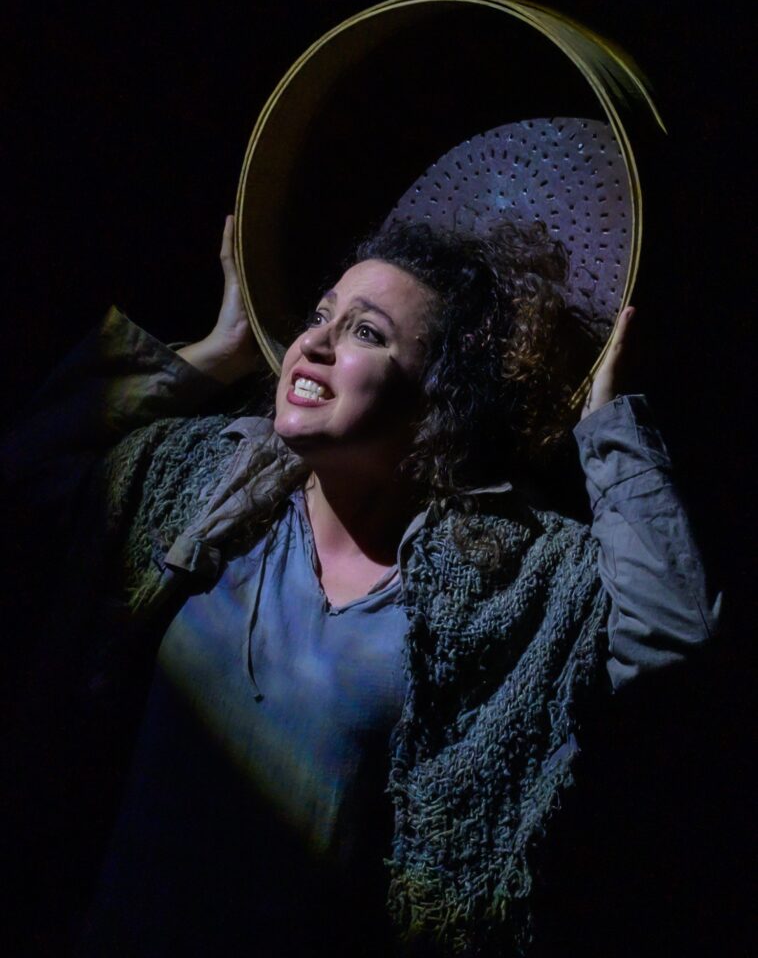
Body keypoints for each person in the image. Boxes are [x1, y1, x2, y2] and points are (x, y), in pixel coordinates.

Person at [2, 215, 719, 957]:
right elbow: (31, 468)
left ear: (440, 396)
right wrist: (218, 353)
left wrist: (608, 431)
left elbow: (672, 631)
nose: (313, 343)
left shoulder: (497, 582)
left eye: (365, 332)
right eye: (320, 317)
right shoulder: (209, 488)